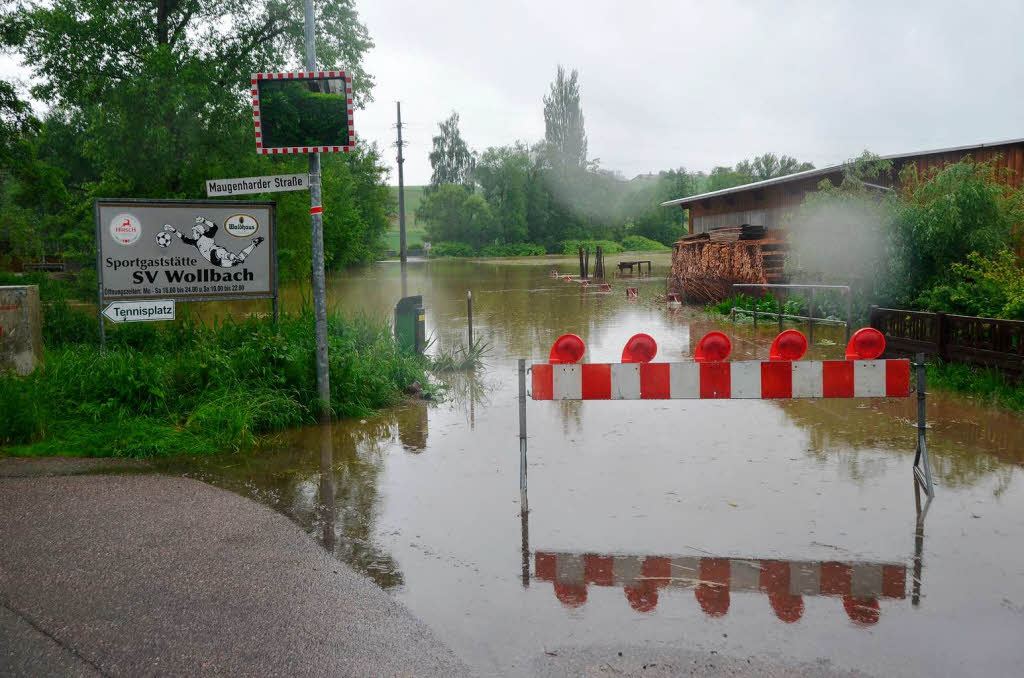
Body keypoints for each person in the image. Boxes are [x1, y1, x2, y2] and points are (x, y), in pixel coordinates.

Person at [162, 216, 263, 268]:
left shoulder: (207, 235)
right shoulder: (195, 243)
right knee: (226, 255)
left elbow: (215, 227)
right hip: (214, 260)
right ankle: (234, 257)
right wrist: (173, 230)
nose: (192, 233)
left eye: (194, 231)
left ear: (198, 232)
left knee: (235, 259)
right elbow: (183, 238)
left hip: (218, 257)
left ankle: (253, 245)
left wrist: (203, 220)